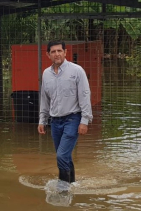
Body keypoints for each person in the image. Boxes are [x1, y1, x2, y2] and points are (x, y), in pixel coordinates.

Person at [38, 40, 93, 184]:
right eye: (53, 52)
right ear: (48, 55)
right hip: (55, 121)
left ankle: (63, 188)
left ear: (65, 52)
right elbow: (45, 99)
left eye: (59, 51)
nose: (57, 54)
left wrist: (84, 121)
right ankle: (71, 185)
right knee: (65, 156)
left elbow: (85, 95)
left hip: (72, 119)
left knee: (61, 156)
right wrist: (42, 120)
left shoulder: (76, 71)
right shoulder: (46, 74)